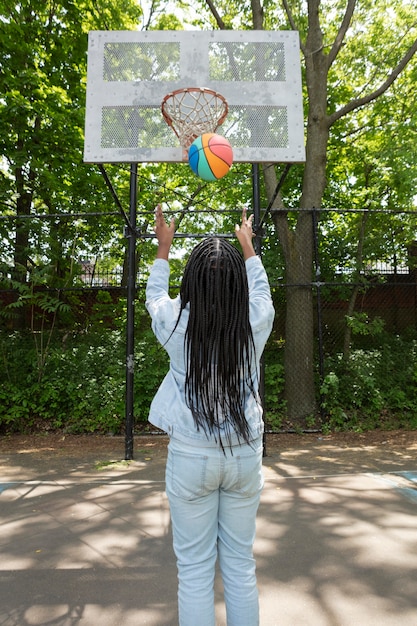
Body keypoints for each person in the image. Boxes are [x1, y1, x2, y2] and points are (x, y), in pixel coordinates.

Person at [145, 205, 275, 626]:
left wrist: (163, 247)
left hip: (190, 457)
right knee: (240, 565)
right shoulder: (255, 322)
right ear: (236, 283)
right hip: (243, 456)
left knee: (195, 571)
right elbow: (262, 296)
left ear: (193, 282)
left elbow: (153, 298)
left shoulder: (174, 323)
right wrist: (248, 248)